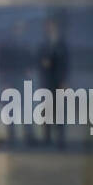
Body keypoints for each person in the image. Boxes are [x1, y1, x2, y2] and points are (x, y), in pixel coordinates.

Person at [36, 15, 68, 147]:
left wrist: (64, 81)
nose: (49, 29)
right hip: (46, 82)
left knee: (60, 110)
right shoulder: (43, 44)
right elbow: (37, 60)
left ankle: (60, 139)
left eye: (51, 26)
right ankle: (47, 138)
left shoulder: (62, 44)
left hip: (58, 82)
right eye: (47, 26)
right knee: (46, 109)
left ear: (56, 28)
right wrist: (42, 63)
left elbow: (66, 64)